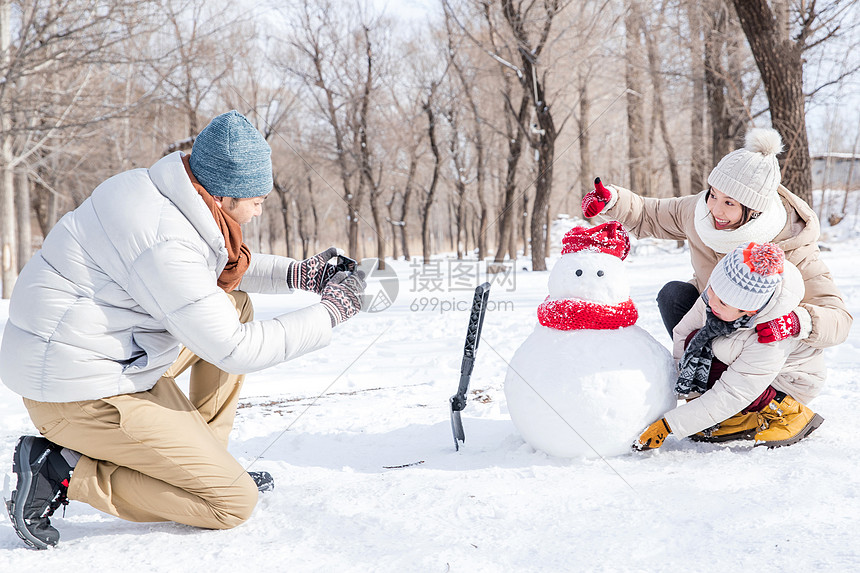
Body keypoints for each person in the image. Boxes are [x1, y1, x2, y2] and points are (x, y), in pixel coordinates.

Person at [1, 110, 367, 550]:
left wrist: (299, 275)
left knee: (236, 304)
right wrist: (330, 312)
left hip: (95, 357)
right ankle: (61, 471)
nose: (258, 210)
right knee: (231, 504)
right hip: (78, 393)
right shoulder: (165, 241)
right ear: (224, 194)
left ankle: (202, 464)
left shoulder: (164, 195)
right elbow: (234, 349)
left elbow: (206, 274)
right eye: (256, 199)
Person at [581, 127, 851, 351]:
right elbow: (649, 213)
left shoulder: (792, 243)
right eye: (713, 194)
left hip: (761, 340)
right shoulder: (699, 212)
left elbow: (839, 319)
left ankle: (749, 406)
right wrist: (612, 201)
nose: (716, 210)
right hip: (713, 317)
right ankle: (697, 380)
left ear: (755, 210)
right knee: (674, 295)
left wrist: (795, 322)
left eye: (729, 203)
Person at [633, 242, 825, 451]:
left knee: (720, 348)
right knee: (696, 340)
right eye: (712, 290)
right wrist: (690, 393)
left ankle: (789, 414)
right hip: (747, 376)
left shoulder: (771, 335)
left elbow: (735, 392)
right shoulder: (717, 295)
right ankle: (733, 418)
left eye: (723, 303)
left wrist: (670, 424)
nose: (711, 302)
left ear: (749, 311)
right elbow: (683, 333)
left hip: (787, 382)